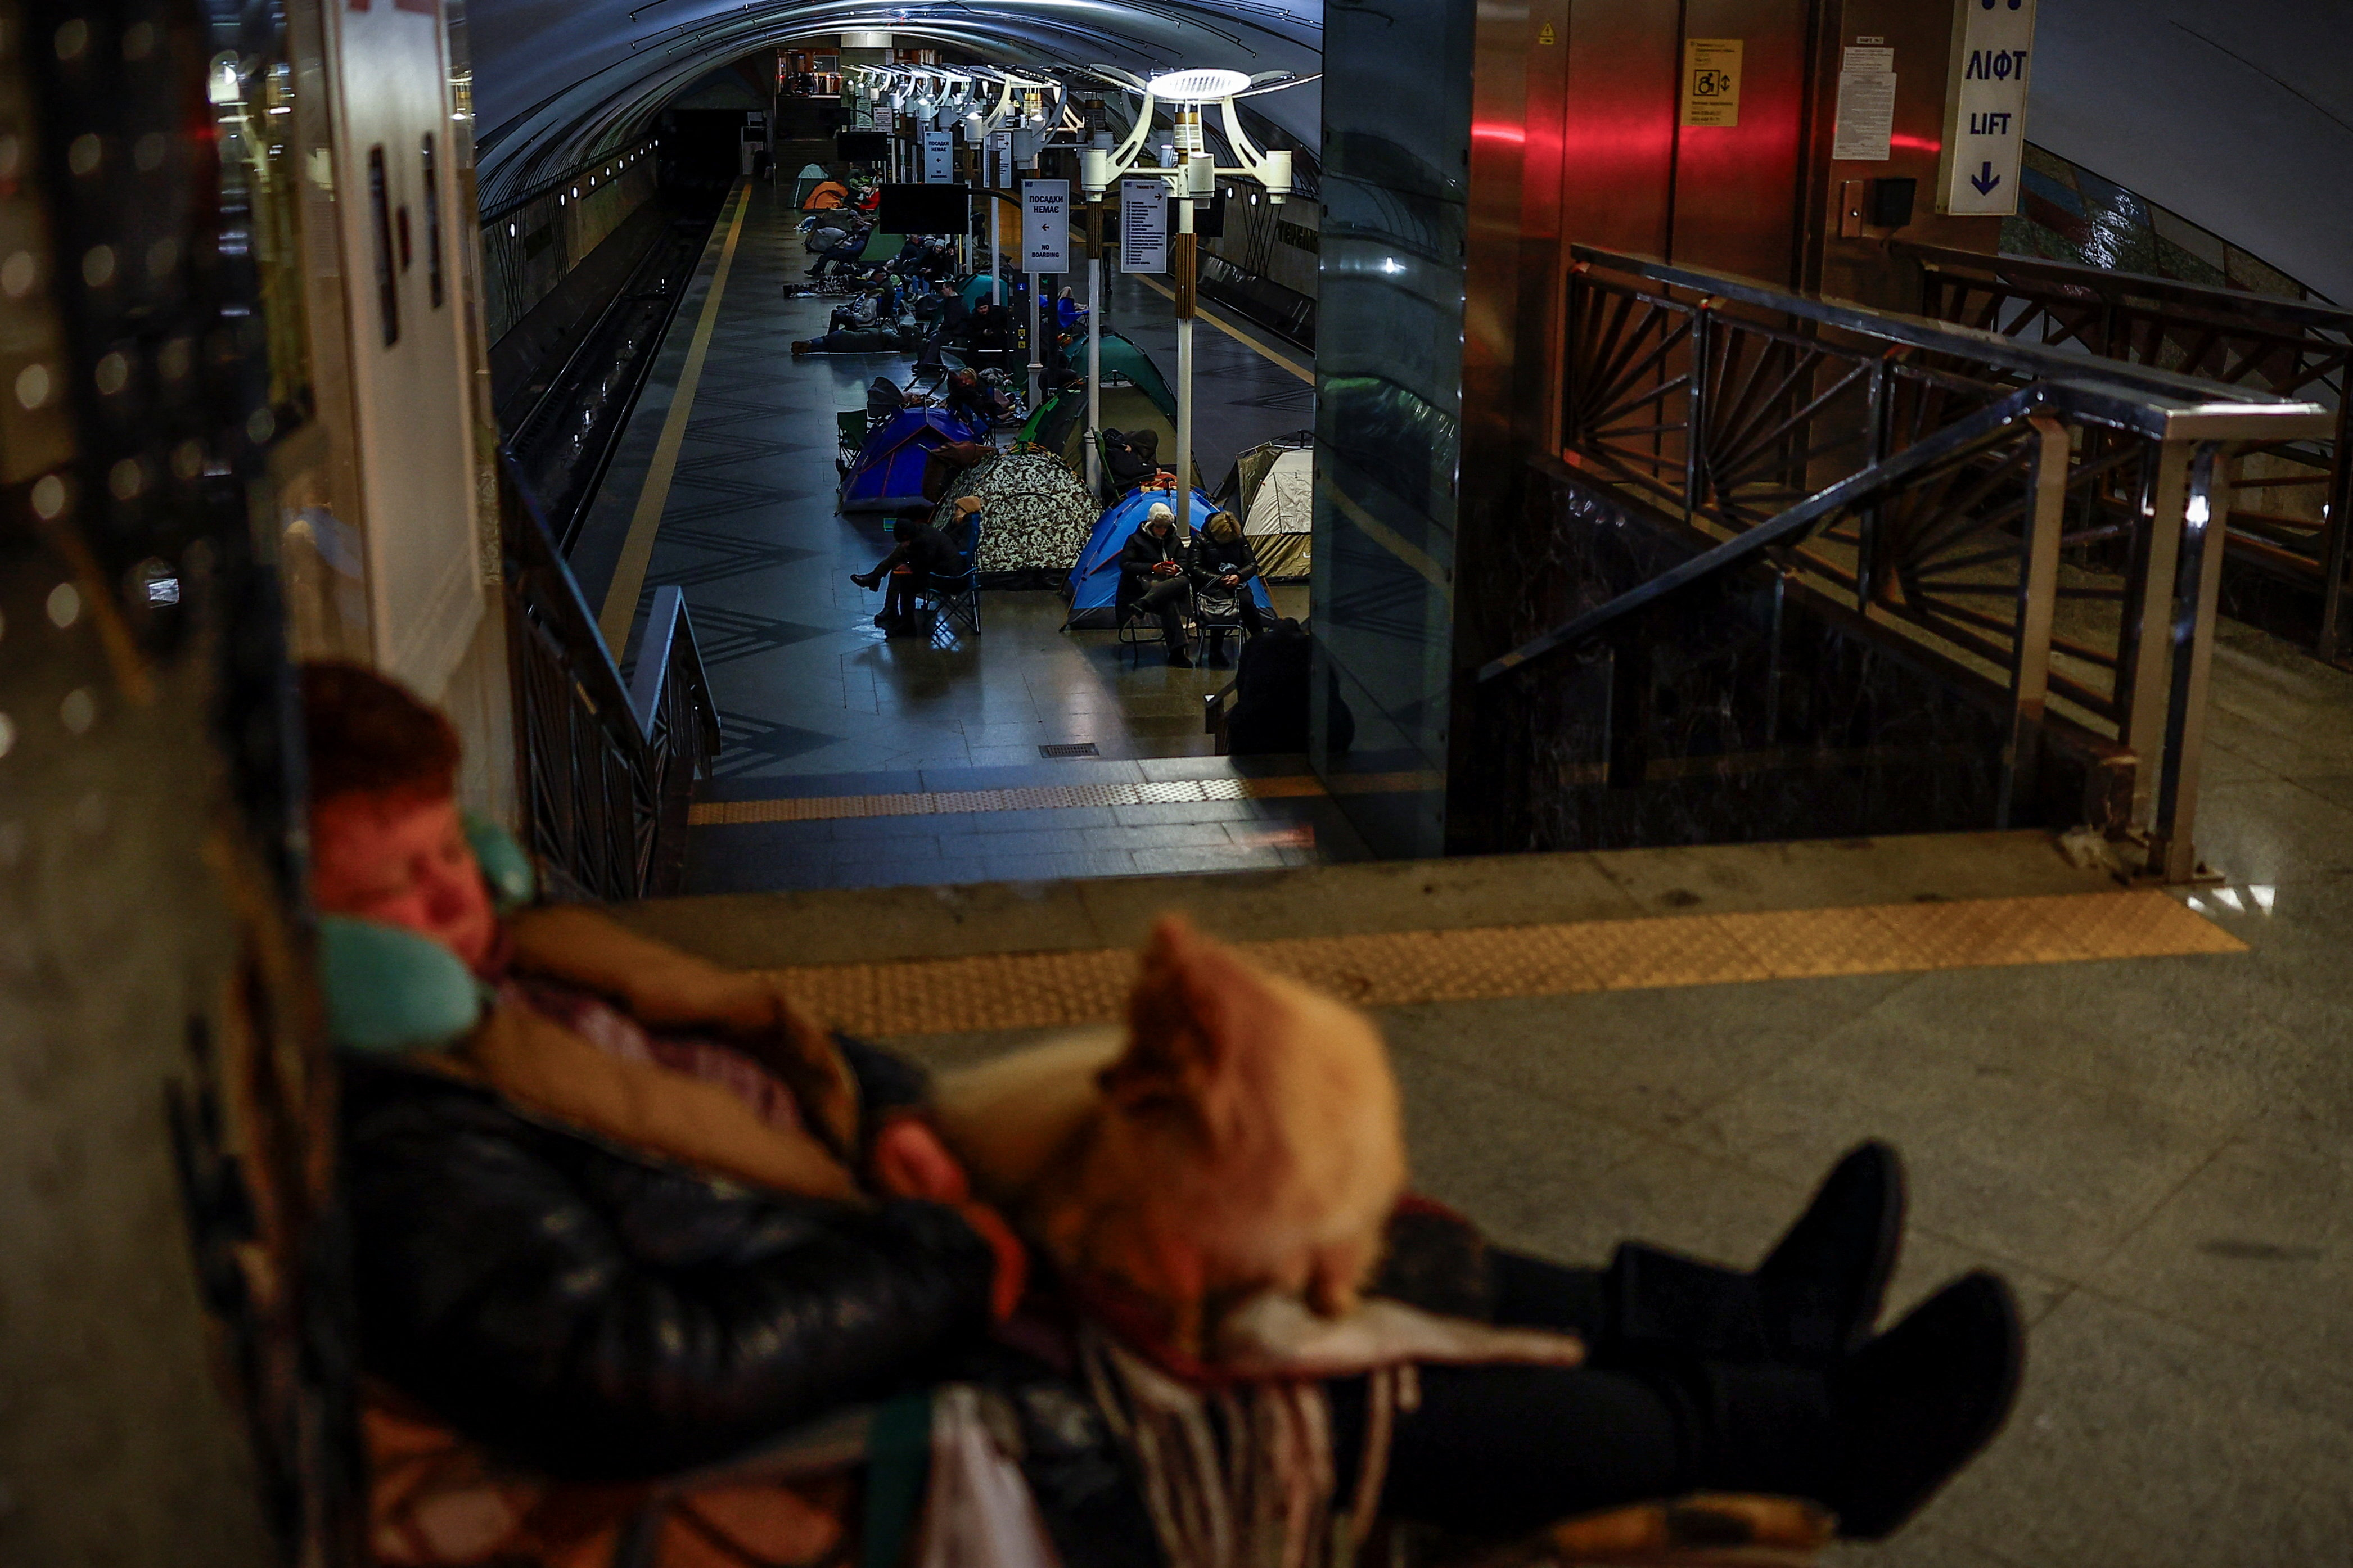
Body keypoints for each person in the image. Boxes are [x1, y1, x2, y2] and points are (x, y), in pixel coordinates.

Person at [315, 663, 2023, 1562]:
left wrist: (906, 1123)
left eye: (449, 854)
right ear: (310, 946)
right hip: (897, 1353)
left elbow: (786, 1081)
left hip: (880, 1228)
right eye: (396, 894)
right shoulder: (421, 1147)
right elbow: (641, 1368)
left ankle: (1753, 1326)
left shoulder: (519, 998)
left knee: (1364, 1228)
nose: (461, 908)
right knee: (1336, 1378)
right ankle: (1800, 1438)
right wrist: (955, 1248)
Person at [850, 496, 977, 634]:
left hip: (949, 578)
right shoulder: (926, 532)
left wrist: (909, 567)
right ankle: (889, 605)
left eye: (958, 509)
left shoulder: (964, 526)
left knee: (905, 579)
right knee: (899, 566)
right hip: (942, 568)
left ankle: (904, 621)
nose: (954, 511)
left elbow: (926, 564)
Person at [1117, 501, 1199, 667]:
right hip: (1142, 587)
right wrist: (1153, 568)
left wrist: (1176, 568)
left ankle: (1143, 604)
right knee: (1169, 601)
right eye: (1158, 527)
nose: (1162, 531)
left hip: (1164, 587)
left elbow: (1185, 562)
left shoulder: (1175, 541)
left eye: (1165, 528)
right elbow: (1126, 565)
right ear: (1151, 524)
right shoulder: (1135, 540)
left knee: (1182, 580)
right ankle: (1177, 653)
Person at [1192, 509, 1265, 663]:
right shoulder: (1200, 539)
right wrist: (1219, 579)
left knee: (1246, 602)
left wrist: (1239, 576)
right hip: (1211, 586)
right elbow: (1194, 568)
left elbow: (1252, 564)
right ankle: (1215, 651)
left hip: (1237, 583)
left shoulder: (1238, 537)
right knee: (1222, 606)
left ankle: (1262, 644)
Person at [1103, 427, 1164, 492]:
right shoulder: (1118, 452)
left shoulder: (1124, 447)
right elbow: (1130, 470)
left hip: (1132, 481)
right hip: (1127, 486)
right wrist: (1152, 470)